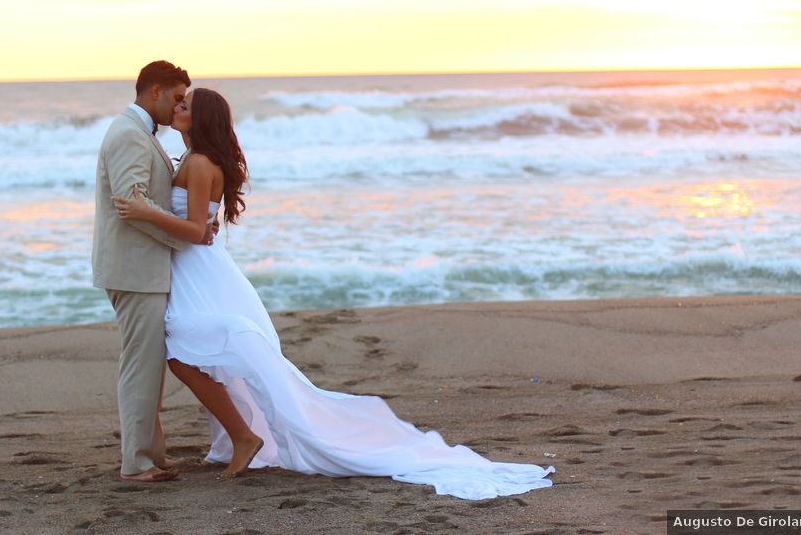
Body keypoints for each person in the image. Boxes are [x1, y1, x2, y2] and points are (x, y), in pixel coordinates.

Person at [113, 88, 555, 499]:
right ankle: (240, 435)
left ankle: (245, 436)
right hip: (202, 272)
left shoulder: (199, 163)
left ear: (201, 119)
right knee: (195, 354)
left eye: (186, 106)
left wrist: (142, 211)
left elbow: (193, 231)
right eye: (179, 103)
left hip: (199, 273)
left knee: (181, 353)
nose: (178, 109)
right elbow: (201, 225)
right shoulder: (195, 158)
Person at [93, 60, 212, 483]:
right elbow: (131, 206)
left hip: (142, 267)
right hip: (134, 269)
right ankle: (136, 463)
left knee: (148, 364)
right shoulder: (128, 133)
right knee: (140, 366)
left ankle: (151, 454)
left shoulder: (141, 133)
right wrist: (186, 238)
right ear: (156, 91)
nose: (181, 105)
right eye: (178, 97)